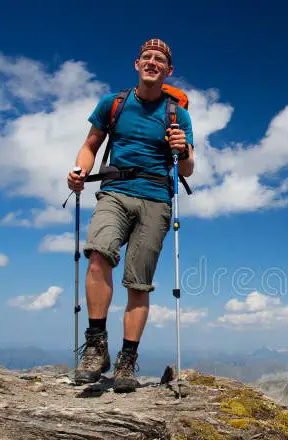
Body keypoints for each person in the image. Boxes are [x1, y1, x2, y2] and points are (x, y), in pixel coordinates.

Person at [66, 38, 194, 392]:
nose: (152, 62)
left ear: (168, 71)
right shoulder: (114, 104)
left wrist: (181, 149)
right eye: (147, 57)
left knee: (138, 283)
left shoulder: (177, 114)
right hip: (116, 191)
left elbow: (188, 168)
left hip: (156, 199)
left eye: (160, 60)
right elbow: (91, 145)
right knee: (97, 255)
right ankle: (96, 347)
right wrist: (79, 170)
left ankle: (127, 360)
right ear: (137, 64)